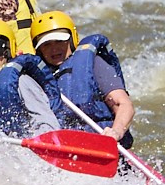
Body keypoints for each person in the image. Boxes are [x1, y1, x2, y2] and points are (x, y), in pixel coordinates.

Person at [30, 10, 135, 144]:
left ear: (72, 39)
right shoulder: (37, 79)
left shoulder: (93, 64)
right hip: (66, 145)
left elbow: (124, 104)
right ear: (38, 50)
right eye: (46, 44)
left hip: (101, 141)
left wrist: (116, 132)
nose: (54, 49)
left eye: (59, 41)